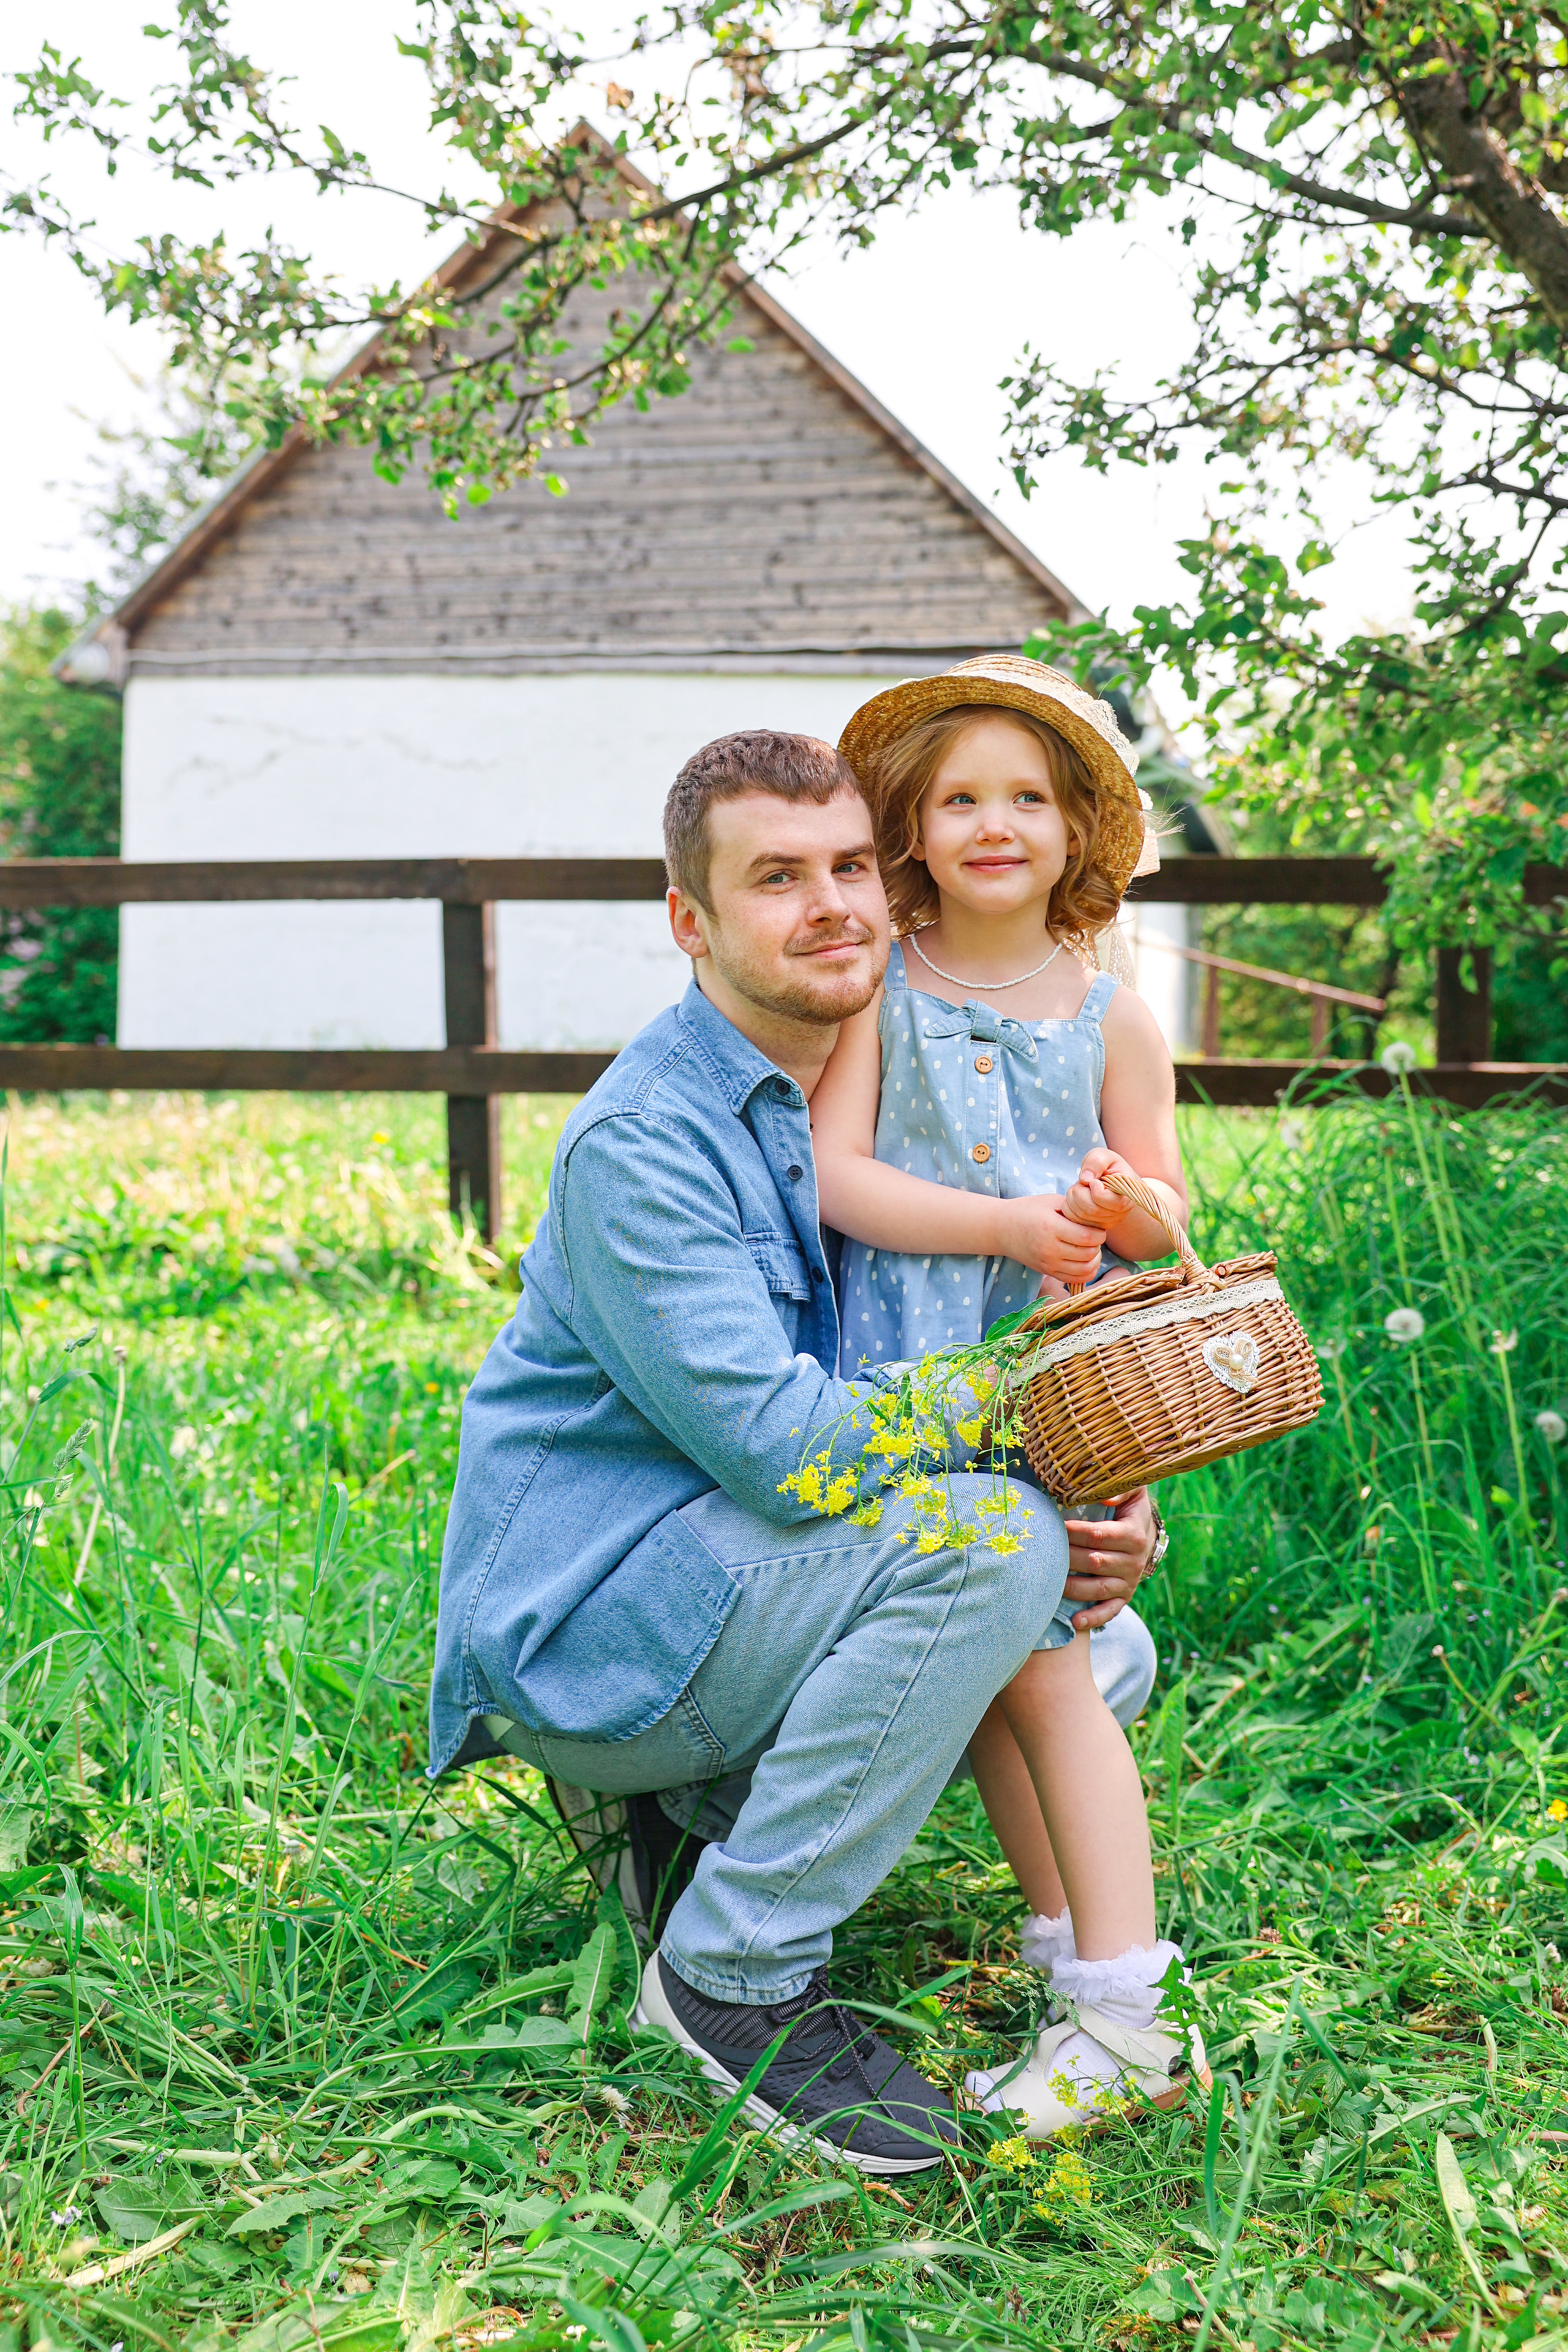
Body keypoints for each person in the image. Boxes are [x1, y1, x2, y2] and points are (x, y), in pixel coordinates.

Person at [429, 727, 1185, 2178]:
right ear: (689, 923)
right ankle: (735, 1970)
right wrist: (1040, 1419)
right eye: (777, 878)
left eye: (848, 864)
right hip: (598, 1623)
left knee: (1089, 1644)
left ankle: (697, 1816)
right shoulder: (646, 1144)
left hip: (735, 1581)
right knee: (990, 1555)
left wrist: (1106, 1492)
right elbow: (790, 1452)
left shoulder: (869, 1069)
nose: (831, 904)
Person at [810, 654, 1205, 2135]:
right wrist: (1000, 1221)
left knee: (1042, 1664)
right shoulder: (882, 992)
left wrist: (1119, 1203)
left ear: (1076, 827)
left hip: (1055, 1376)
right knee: (985, 1668)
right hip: (908, 1368)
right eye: (959, 796)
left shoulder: (1112, 1008)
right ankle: (1065, 1957)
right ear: (909, 828)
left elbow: (1164, 1216)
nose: (993, 821)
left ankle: (1121, 2014)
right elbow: (841, 1177)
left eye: (1027, 796)